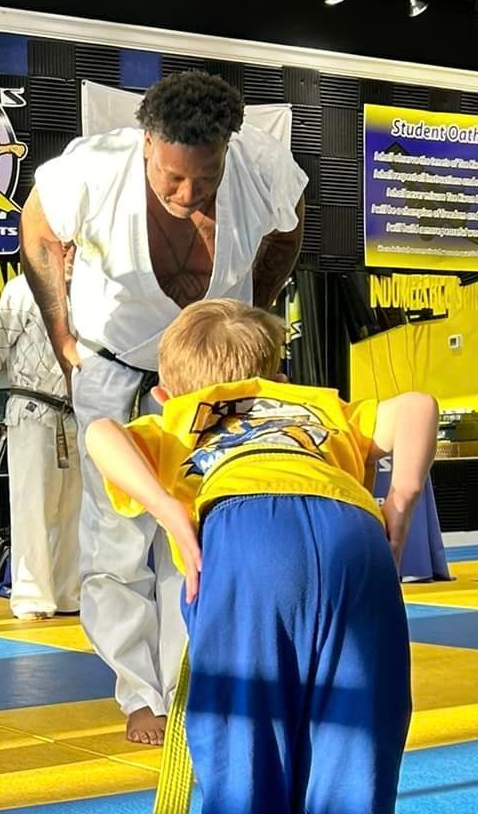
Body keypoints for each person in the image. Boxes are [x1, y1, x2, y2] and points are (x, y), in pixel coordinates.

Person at [86, 298, 436, 814]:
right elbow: (419, 404)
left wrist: (171, 513)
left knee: (245, 754)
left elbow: (99, 433)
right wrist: (398, 504)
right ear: (277, 370)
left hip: (244, 539)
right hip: (354, 538)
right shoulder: (322, 407)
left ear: (166, 388)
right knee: (354, 760)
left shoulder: (188, 413)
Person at [21, 70, 306, 747]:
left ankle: (187, 681)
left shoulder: (262, 167)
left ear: (229, 151)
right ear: (147, 143)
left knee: (200, 537)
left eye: (203, 179)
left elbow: (287, 236)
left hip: (209, 377)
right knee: (119, 540)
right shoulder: (94, 170)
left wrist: (255, 316)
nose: (187, 193)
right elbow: (38, 231)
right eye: (172, 178)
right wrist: (63, 339)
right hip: (112, 367)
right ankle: (138, 692)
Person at [0, 268, 80, 622]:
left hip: (77, 411)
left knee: (74, 510)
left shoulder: (95, 287)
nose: (70, 253)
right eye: (63, 246)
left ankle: (67, 592)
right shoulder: (22, 290)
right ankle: (30, 593)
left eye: (75, 245)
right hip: (31, 409)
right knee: (32, 505)